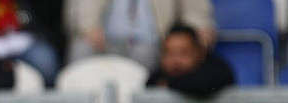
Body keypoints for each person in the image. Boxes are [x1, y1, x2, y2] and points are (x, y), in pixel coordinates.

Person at [66, 0, 215, 71]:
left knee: (144, 53)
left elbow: (195, 12)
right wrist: (88, 27)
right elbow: (77, 12)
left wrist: (198, 29)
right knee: (81, 49)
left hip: (153, 42)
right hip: (103, 40)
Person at [146, 23, 234, 99]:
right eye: (170, 53)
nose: (176, 61)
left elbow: (202, 85)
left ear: (200, 53)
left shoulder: (217, 69)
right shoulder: (159, 74)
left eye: (183, 53)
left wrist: (169, 84)